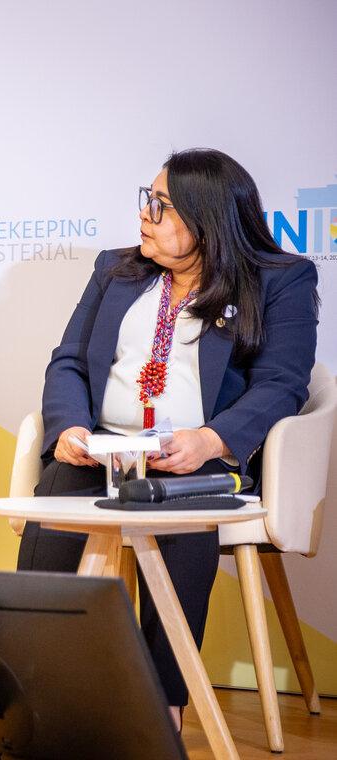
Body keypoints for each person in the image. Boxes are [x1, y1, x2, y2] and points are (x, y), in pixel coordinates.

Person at [18, 148, 319, 729]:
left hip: (199, 456)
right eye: (147, 199)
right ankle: (31, 687)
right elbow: (69, 362)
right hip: (107, 449)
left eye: (161, 205)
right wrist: (70, 427)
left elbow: (282, 384)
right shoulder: (116, 269)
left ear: (206, 219)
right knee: (56, 493)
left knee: (184, 506)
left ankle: (163, 703)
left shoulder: (278, 279)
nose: (144, 215)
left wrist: (210, 440)